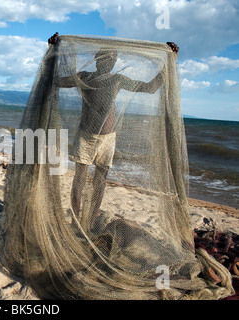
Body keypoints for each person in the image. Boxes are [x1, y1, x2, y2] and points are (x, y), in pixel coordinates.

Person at [51, 34, 179, 232]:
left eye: (112, 59)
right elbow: (58, 81)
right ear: (96, 60)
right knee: (80, 180)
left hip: (108, 139)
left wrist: (169, 63)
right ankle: (76, 220)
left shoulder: (117, 80)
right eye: (104, 58)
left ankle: (91, 220)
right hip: (87, 136)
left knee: (100, 181)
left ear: (115, 61)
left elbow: (150, 88)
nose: (108, 62)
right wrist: (54, 50)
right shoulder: (85, 77)